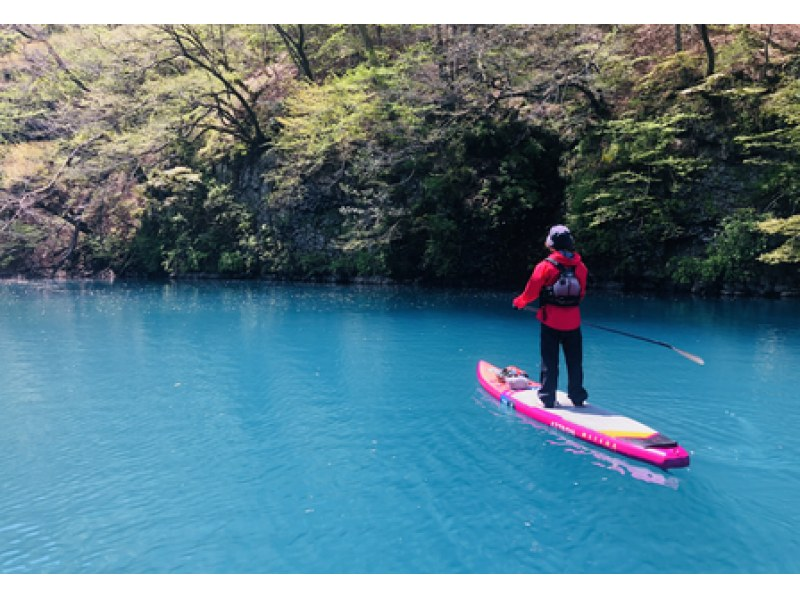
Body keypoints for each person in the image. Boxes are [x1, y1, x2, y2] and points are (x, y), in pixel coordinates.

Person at [512, 225, 589, 408]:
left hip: (550, 322)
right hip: (573, 323)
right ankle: (577, 397)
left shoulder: (545, 266)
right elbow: (582, 293)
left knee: (550, 361)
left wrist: (518, 303)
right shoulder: (581, 267)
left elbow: (531, 293)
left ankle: (548, 397)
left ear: (552, 243)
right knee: (575, 361)